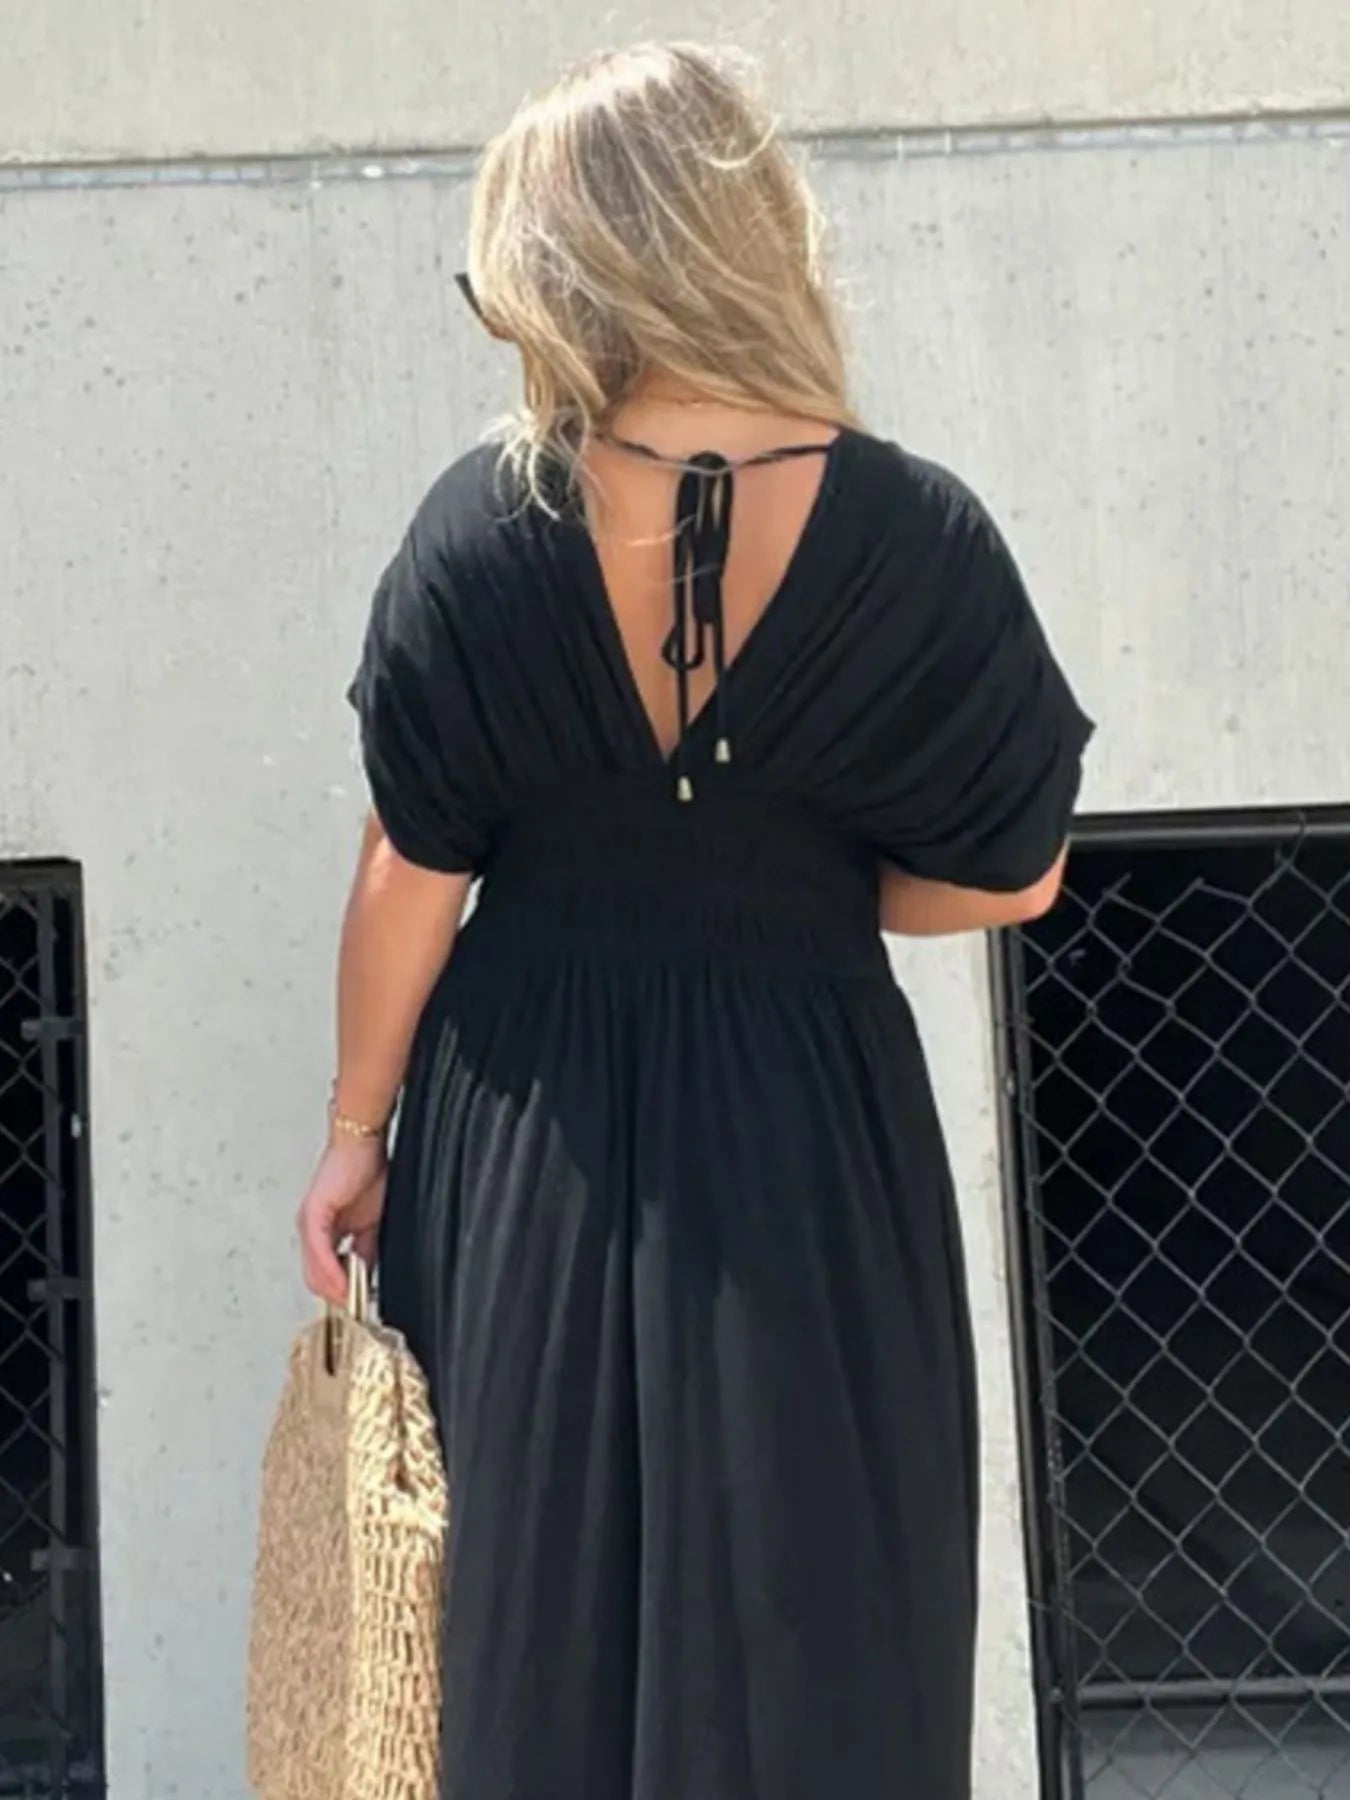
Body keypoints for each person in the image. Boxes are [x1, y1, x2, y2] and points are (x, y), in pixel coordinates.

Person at [297, 41, 1093, 1800]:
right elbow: (1015, 870)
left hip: (527, 1124)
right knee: (827, 1597)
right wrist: (815, 889)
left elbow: (409, 874)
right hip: (810, 1122)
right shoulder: (920, 538)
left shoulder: (483, 531)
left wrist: (356, 1131)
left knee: (527, 1597)